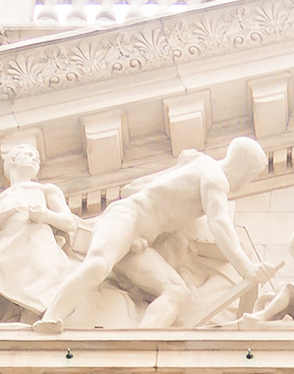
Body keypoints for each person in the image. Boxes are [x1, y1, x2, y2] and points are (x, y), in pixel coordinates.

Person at [36, 137, 272, 329]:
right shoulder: (215, 177)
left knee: (177, 292)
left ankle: (141, 345)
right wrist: (246, 268)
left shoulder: (200, 166)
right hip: (127, 218)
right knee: (98, 265)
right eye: (252, 176)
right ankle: (50, 319)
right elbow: (219, 223)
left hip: (140, 243)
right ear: (247, 170)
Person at [0, 132, 90, 327]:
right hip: (3, 245)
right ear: (13, 160)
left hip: (37, 244)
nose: (34, 160)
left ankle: (48, 320)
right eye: (28, 155)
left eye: (36, 158)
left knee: (44, 286)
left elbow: (69, 223)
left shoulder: (46, 190)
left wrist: (45, 216)